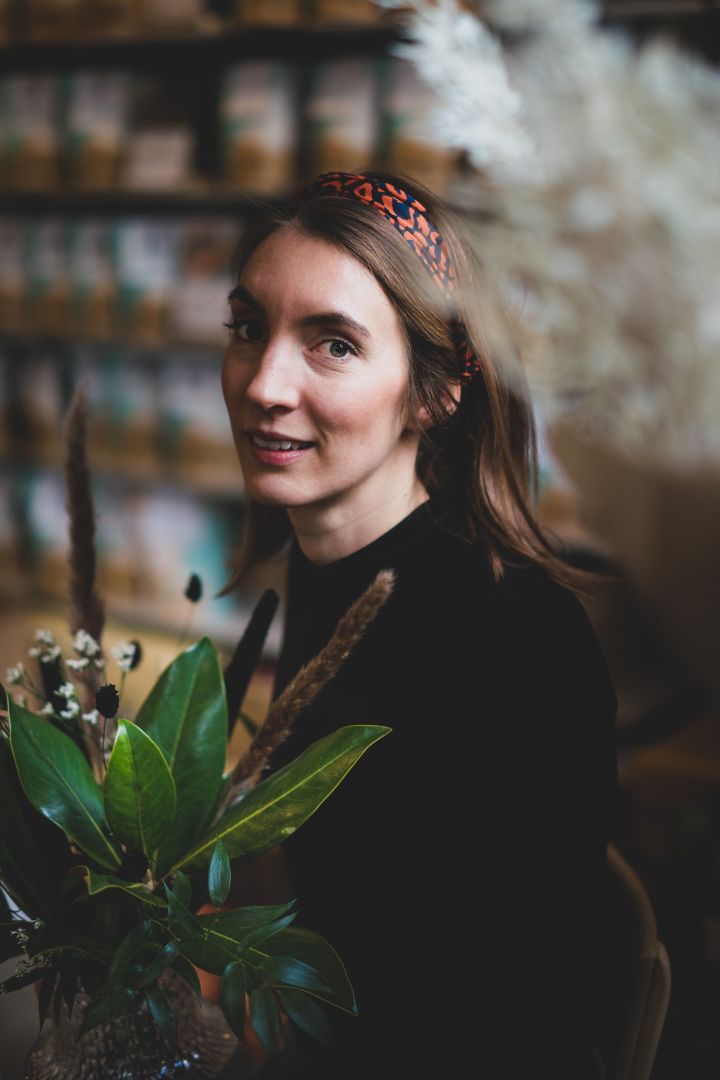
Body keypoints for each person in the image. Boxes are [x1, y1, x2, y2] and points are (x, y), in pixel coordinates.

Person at [220, 170, 619, 1079]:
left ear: (436, 393)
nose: (263, 383)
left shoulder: (519, 642)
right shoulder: (320, 575)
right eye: (249, 327)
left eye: (333, 345)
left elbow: (515, 1019)